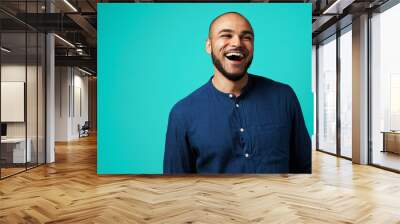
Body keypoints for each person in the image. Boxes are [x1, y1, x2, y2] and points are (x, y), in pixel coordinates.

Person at [163, 12, 311, 174]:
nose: (237, 43)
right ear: (209, 45)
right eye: (226, 35)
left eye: (246, 37)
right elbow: (176, 184)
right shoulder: (182, 113)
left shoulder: (284, 97)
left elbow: (305, 167)